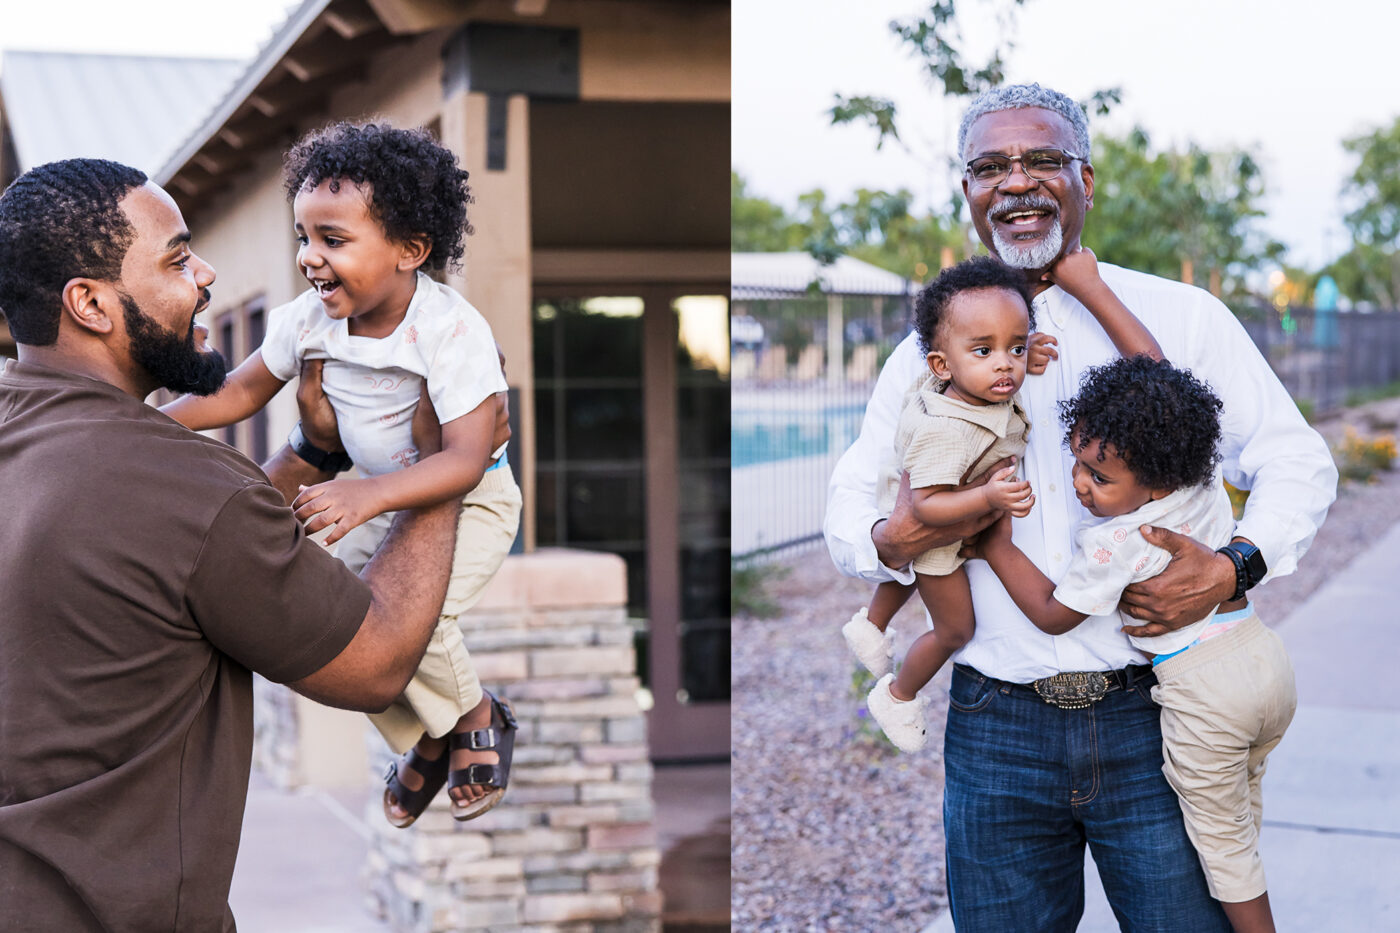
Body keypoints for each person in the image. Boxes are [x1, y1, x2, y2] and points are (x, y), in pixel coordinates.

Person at [824, 83, 1337, 931]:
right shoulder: (929, 353)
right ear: (968, 193)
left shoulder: (1183, 316)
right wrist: (891, 537)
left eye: (1042, 161)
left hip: (1157, 712)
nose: (1016, 183)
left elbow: (1297, 462)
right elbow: (853, 498)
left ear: (1086, 180)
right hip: (996, 725)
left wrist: (1233, 565)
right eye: (991, 167)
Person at [0, 158, 474, 932]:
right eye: (178, 259)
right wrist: (437, 464)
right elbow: (378, 658)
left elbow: (192, 546)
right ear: (90, 303)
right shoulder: (175, 483)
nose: (206, 274)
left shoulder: (53, 440)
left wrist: (310, 455)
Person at [161, 122, 521, 826]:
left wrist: (368, 493)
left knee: (424, 619)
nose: (309, 258)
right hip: (378, 501)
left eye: (333, 239)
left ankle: (477, 713)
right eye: (303, 236)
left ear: (410, 250)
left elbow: (467, 457)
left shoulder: (452, 333)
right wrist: (145, 424)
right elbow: (235, 392)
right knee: (349, 617)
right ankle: (426, 736)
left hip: (472, 501)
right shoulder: (309, 322)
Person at [968, 355, 1295, 933]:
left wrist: (996, 546)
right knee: (1238, 814)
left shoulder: (1117, 542)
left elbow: (1052, 615)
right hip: (1262, 661)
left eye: (1099, 476)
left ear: (1153, 482)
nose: (1079, 483)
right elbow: (1159, 377)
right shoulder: (1197, 481)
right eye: (1078, 462)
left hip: (1206, 692)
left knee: (1222, 845)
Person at [845, 251, 1162, 752]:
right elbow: (922, 511)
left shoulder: (969, 388)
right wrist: (989, 495)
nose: (1006, 366)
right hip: (946, 533)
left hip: (963, 524)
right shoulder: (945, 429)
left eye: (1014, 348)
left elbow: (988, 360)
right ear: (940, 363)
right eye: (985, 351)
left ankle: (871, 623)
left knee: (919, 567)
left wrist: (1017, 353)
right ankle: (899, 694)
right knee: (953, 628)